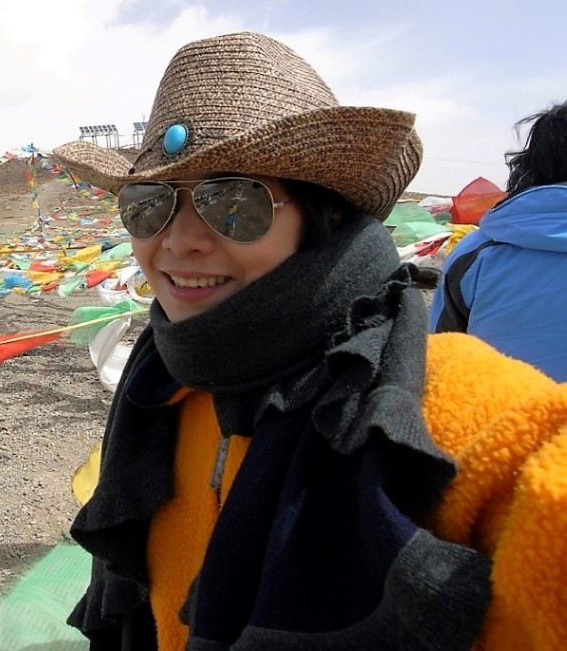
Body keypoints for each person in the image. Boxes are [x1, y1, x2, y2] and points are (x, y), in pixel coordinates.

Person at [53, 32, 567, 650]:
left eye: (232, 201)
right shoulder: (161, 390)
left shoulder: (447, 401)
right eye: (148, 204)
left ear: (324, 216)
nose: (179, 239)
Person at [430, 101, 567, 380]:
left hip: (503, 419)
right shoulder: (477, 250)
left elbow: (437, 358)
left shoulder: (476, 252)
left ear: (531, 164)